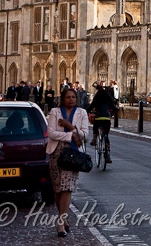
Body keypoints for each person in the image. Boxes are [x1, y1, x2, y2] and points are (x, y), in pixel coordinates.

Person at [46, 87, 89, 237]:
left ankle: (60, 222)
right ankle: (63, 218)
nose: (71, 99)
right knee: (58, 189)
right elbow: (51, 133)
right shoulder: (55, 112)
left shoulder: (82, 113)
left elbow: (84, 134)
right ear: (63, 99)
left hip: (73, 154)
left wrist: (69, 126)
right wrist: (71, 136)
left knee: (67, 187)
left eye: (73, 97)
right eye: (68, 97)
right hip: (56, 152)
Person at [87, 83, 118, 164]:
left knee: (95, 126)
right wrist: (114, 111)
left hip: (99, 118)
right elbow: (113, 107)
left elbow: (91, 106)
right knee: (106, 136)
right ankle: (107, 155)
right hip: (107, 119)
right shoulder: (108, 99)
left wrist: (85, 111)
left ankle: (94, 139)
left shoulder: (97, 98)